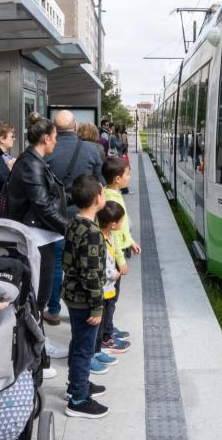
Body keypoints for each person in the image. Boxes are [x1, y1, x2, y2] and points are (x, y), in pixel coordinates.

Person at [4, 113, 67, 375]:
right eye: (54, 138)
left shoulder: (35, 161)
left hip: (42, 235)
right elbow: (41, 204)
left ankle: (39, 343)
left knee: (40, 291)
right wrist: (71, 227)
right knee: (37, 293)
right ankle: (34, 355)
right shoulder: (31, 164)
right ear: (45, 138)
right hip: (35, 236)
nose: (56, 142)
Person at [43, 110, 104, 326]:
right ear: (75, 126)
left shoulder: (47, 150)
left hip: (54, 215)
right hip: (84, 216)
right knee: (85, 262)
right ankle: (83, 308)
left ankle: (53, 310)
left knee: (58, 263)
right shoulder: (91, 150)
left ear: (54, 128)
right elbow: (99, 181)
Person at [62, 175, 110, 419]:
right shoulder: (92, 232)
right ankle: (78, 399)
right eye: (102, 192)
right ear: (96, 199)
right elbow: (90, 274)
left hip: (71, 295)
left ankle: (76, 384)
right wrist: (96, 307)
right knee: (84, 348)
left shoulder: (75, 222)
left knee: (77, 341)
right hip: (84, 300)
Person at [100, 156, 138, 353]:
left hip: (117, 251)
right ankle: (106, 337)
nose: (129, 177)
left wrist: (130, 241)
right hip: (114, 257)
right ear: (117, 178)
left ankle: (108, 328)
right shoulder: (113, 199)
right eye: (127, 174)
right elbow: (113, 233)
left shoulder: (109, 192)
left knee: (110, 299)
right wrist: (121, 261)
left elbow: (120, 229)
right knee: (110, 298)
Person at [92, 201, 126, 366]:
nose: (122, 223)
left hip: (108, 289)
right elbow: (105, 266)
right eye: (120, 221)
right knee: (98, 325)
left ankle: (98, 350)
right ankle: (94, 352)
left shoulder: (109, 236)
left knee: (104, 321)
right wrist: (116, 274)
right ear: (113, 224)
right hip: (102, 290)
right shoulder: (100, 241)